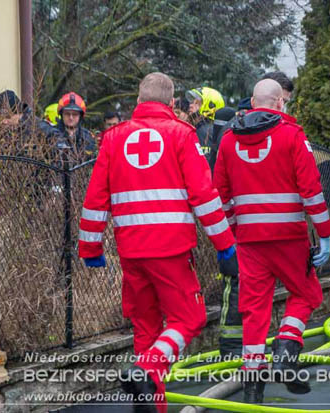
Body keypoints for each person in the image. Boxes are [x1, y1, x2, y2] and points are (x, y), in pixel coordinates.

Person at [78, 72, 236, 413]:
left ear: (138, 101)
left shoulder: (112, 138)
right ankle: (147, 370)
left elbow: (95, 199)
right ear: (172, 102)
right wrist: (224, 242)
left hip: (131, 251)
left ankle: (152, 404)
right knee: (189, 319)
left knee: (146, 329)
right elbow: (204, 196)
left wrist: (90, 247)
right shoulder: (181, 134)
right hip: (172, 250)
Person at [214, 79, 330, 403]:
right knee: (307, 293)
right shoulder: (293, 136)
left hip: (249, 241)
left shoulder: (228, 141)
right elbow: (312, 192)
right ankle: (285, 350)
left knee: (254, 310)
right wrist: (324, 234)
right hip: (289, 238)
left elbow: (220, 197)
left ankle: (253, 386)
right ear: (281, 103)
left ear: (252, 102)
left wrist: (232, 231)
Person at [0, 90, 55, 157]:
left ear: (19, 113)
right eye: (0, 117)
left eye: (8, 117)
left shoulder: (41, 130)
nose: (4, 121)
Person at [185, 86, 225, 169]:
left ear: (210, 106)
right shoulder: (197, 128)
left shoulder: (207, 132)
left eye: (196, 103)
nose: (190, 105)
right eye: (192, 102)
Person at [54, 92, 97, 164]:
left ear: (80, 116)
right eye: (67, 114)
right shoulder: (51, 134)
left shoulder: (89, 138)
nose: (71, 118)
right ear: (61, 115)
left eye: (75, 114)